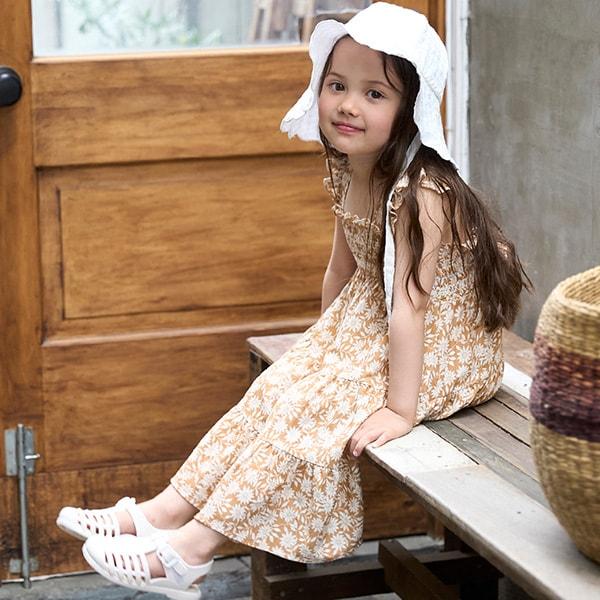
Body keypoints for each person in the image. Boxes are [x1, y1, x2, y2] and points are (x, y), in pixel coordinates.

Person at [55, 3, 533, 599]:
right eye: (337, 85)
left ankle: (191, 552)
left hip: (444, 348)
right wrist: (319, 351)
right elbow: (343, 268)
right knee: (278, 389)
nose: (348, 105)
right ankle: (162, 513)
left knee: (315, 410)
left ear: (410, 108)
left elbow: (412, 307)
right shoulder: (352, 167)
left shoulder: (421, 193)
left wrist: (399, 410)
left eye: (374, 93)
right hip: (378, 320)